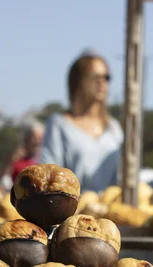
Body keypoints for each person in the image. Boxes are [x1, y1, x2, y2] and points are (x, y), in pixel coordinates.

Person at [40, 51, 123, 192]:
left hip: (110, 211)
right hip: (72, 210)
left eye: (106, 77)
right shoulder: (59, 125)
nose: (101, 82)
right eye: (95, 76)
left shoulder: (114, 128)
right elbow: (48, 176)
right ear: (79, 81)